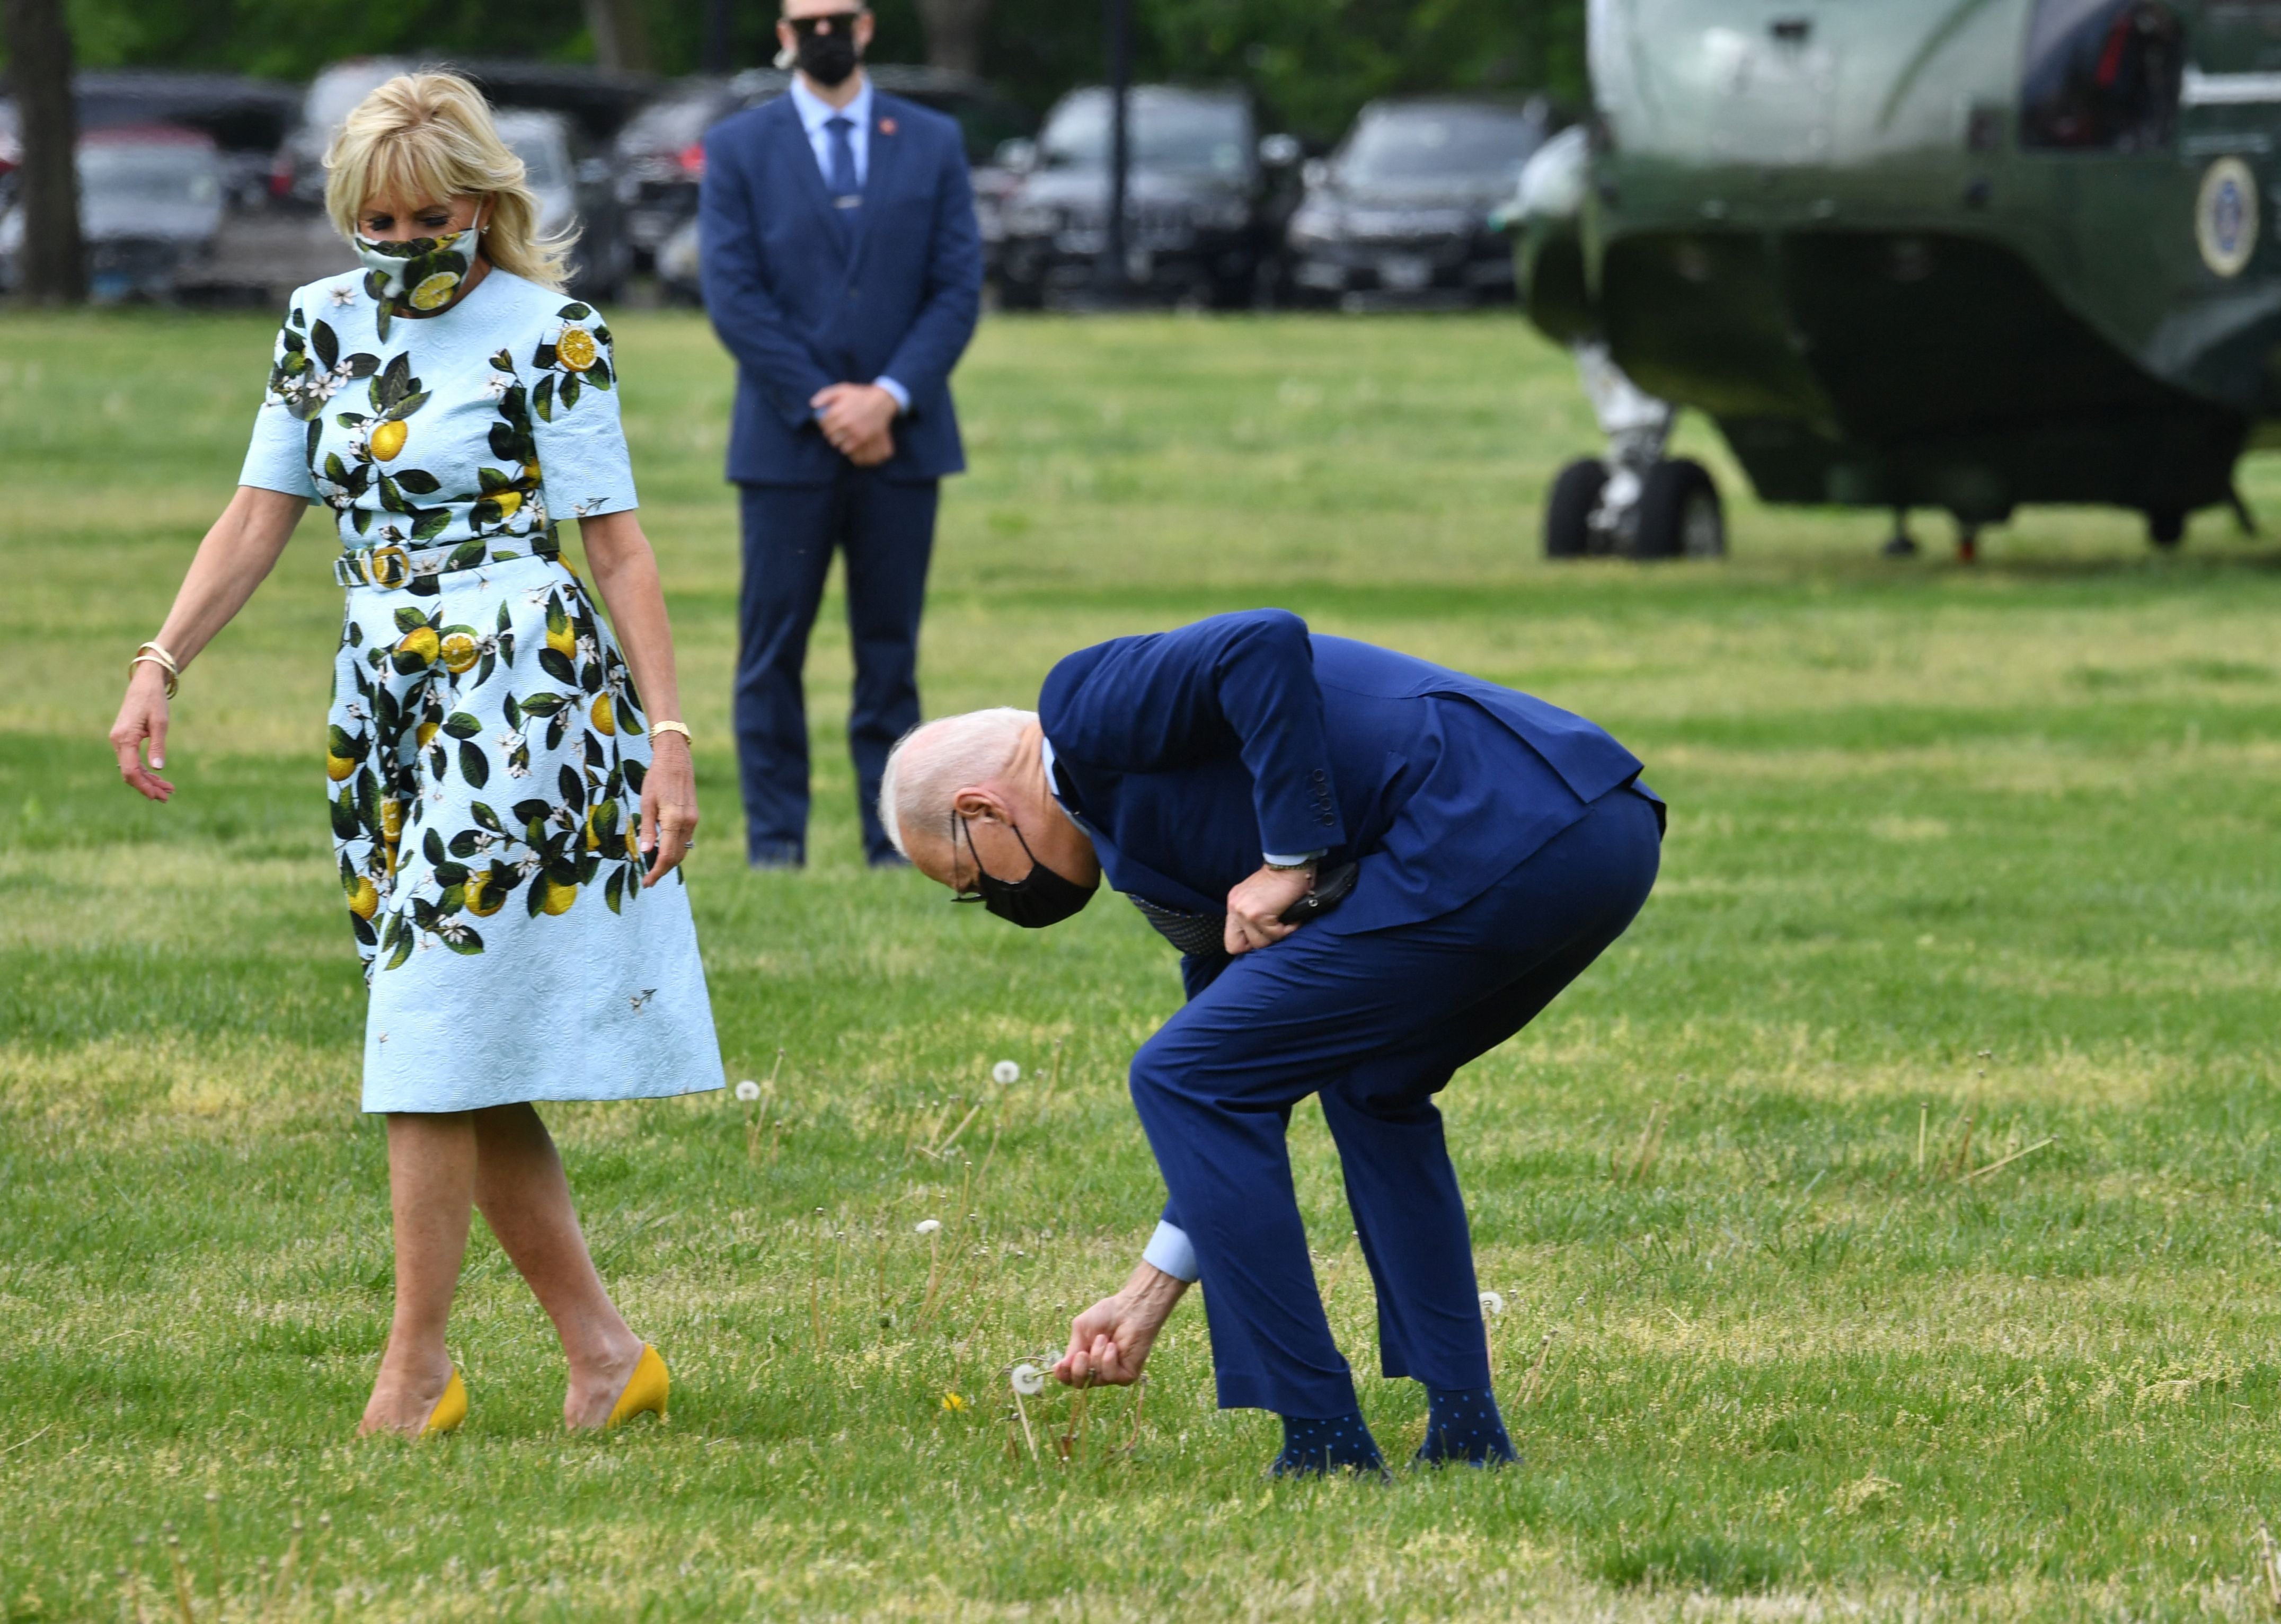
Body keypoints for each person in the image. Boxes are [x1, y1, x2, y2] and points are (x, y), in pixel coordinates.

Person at [106, 73, 724, 1438]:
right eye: (371, 221)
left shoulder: (552, 334)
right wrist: (160, 661)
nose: (397, 244)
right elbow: (260, 513)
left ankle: (416, 1366)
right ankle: (605, 1352)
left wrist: (668, 739)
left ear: (483, 203)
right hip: (382, 696)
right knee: (463, 1040)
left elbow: (614, 544)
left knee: (429, 1024)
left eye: (425, 218)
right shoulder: (317, 325)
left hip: (521, 691)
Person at [879, 610, 1663, 1475]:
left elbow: (1261, 642)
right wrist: (1148, 1294)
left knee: (1178, 1075)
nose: (993, 899)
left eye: (969, 881)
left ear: (980, 808)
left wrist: (1291, 855)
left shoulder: (1082, 704)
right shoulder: (1151, 849)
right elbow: (1243, 1087)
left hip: (1502, 824)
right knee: (1371, 1084)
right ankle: (1467, 1431)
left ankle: (1323, 1441)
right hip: (1596, 832)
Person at [699, 0, 983, 869]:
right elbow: (735, 294)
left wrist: (888, 397)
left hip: (905, 444)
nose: (824, 33)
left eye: (840, 17)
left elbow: (956, 287)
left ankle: (891, 838)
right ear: (784, 37)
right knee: (771, 651)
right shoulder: (741, 148)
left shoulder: (931, 141)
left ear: (865, 28)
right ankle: (776, 842)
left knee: (889, 654)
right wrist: (828, 401)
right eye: (805, 20)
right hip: (787, 447)